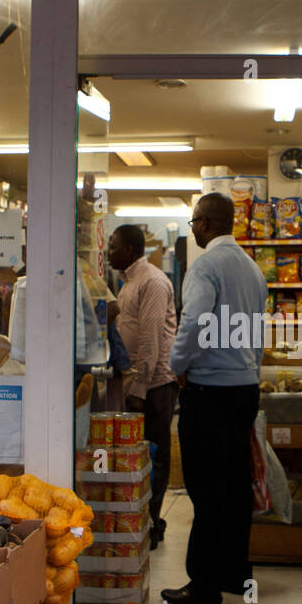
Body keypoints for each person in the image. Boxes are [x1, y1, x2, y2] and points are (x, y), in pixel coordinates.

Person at [163, 192, 268, 604]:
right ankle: (236, 574)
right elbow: (257, 332)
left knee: (206, 489)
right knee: (235, 486)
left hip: (209, 392)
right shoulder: (253, 269)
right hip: (244, 388)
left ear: (205, 224)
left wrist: (177, 364)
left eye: (193, 224)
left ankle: (204, 584)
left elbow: (195, 321)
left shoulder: (205, 266)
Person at [107, 223, 177, 550]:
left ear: (132, 250)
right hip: (138, 382)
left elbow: (150, 342)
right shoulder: (128, 283)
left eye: (113, 246)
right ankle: (142, 520)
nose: (109, 251)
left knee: (155, 456)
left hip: (155, 386)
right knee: (138, 457)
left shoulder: (152, 282)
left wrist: (138, 389)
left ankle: (153, 523)